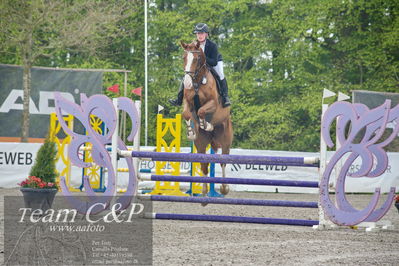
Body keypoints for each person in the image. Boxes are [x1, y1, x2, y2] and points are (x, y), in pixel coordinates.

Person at [169, 23, 231, 107]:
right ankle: (179, 100)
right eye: (198, 33)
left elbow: (214, 62)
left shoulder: (212, 45)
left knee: (220, 74)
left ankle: (225, 97)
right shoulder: (193, 45)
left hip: (214, 61)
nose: (199, 35)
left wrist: (203, 58)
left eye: (201, 33)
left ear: (206, 34)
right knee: (186, 76)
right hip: (199, 65)